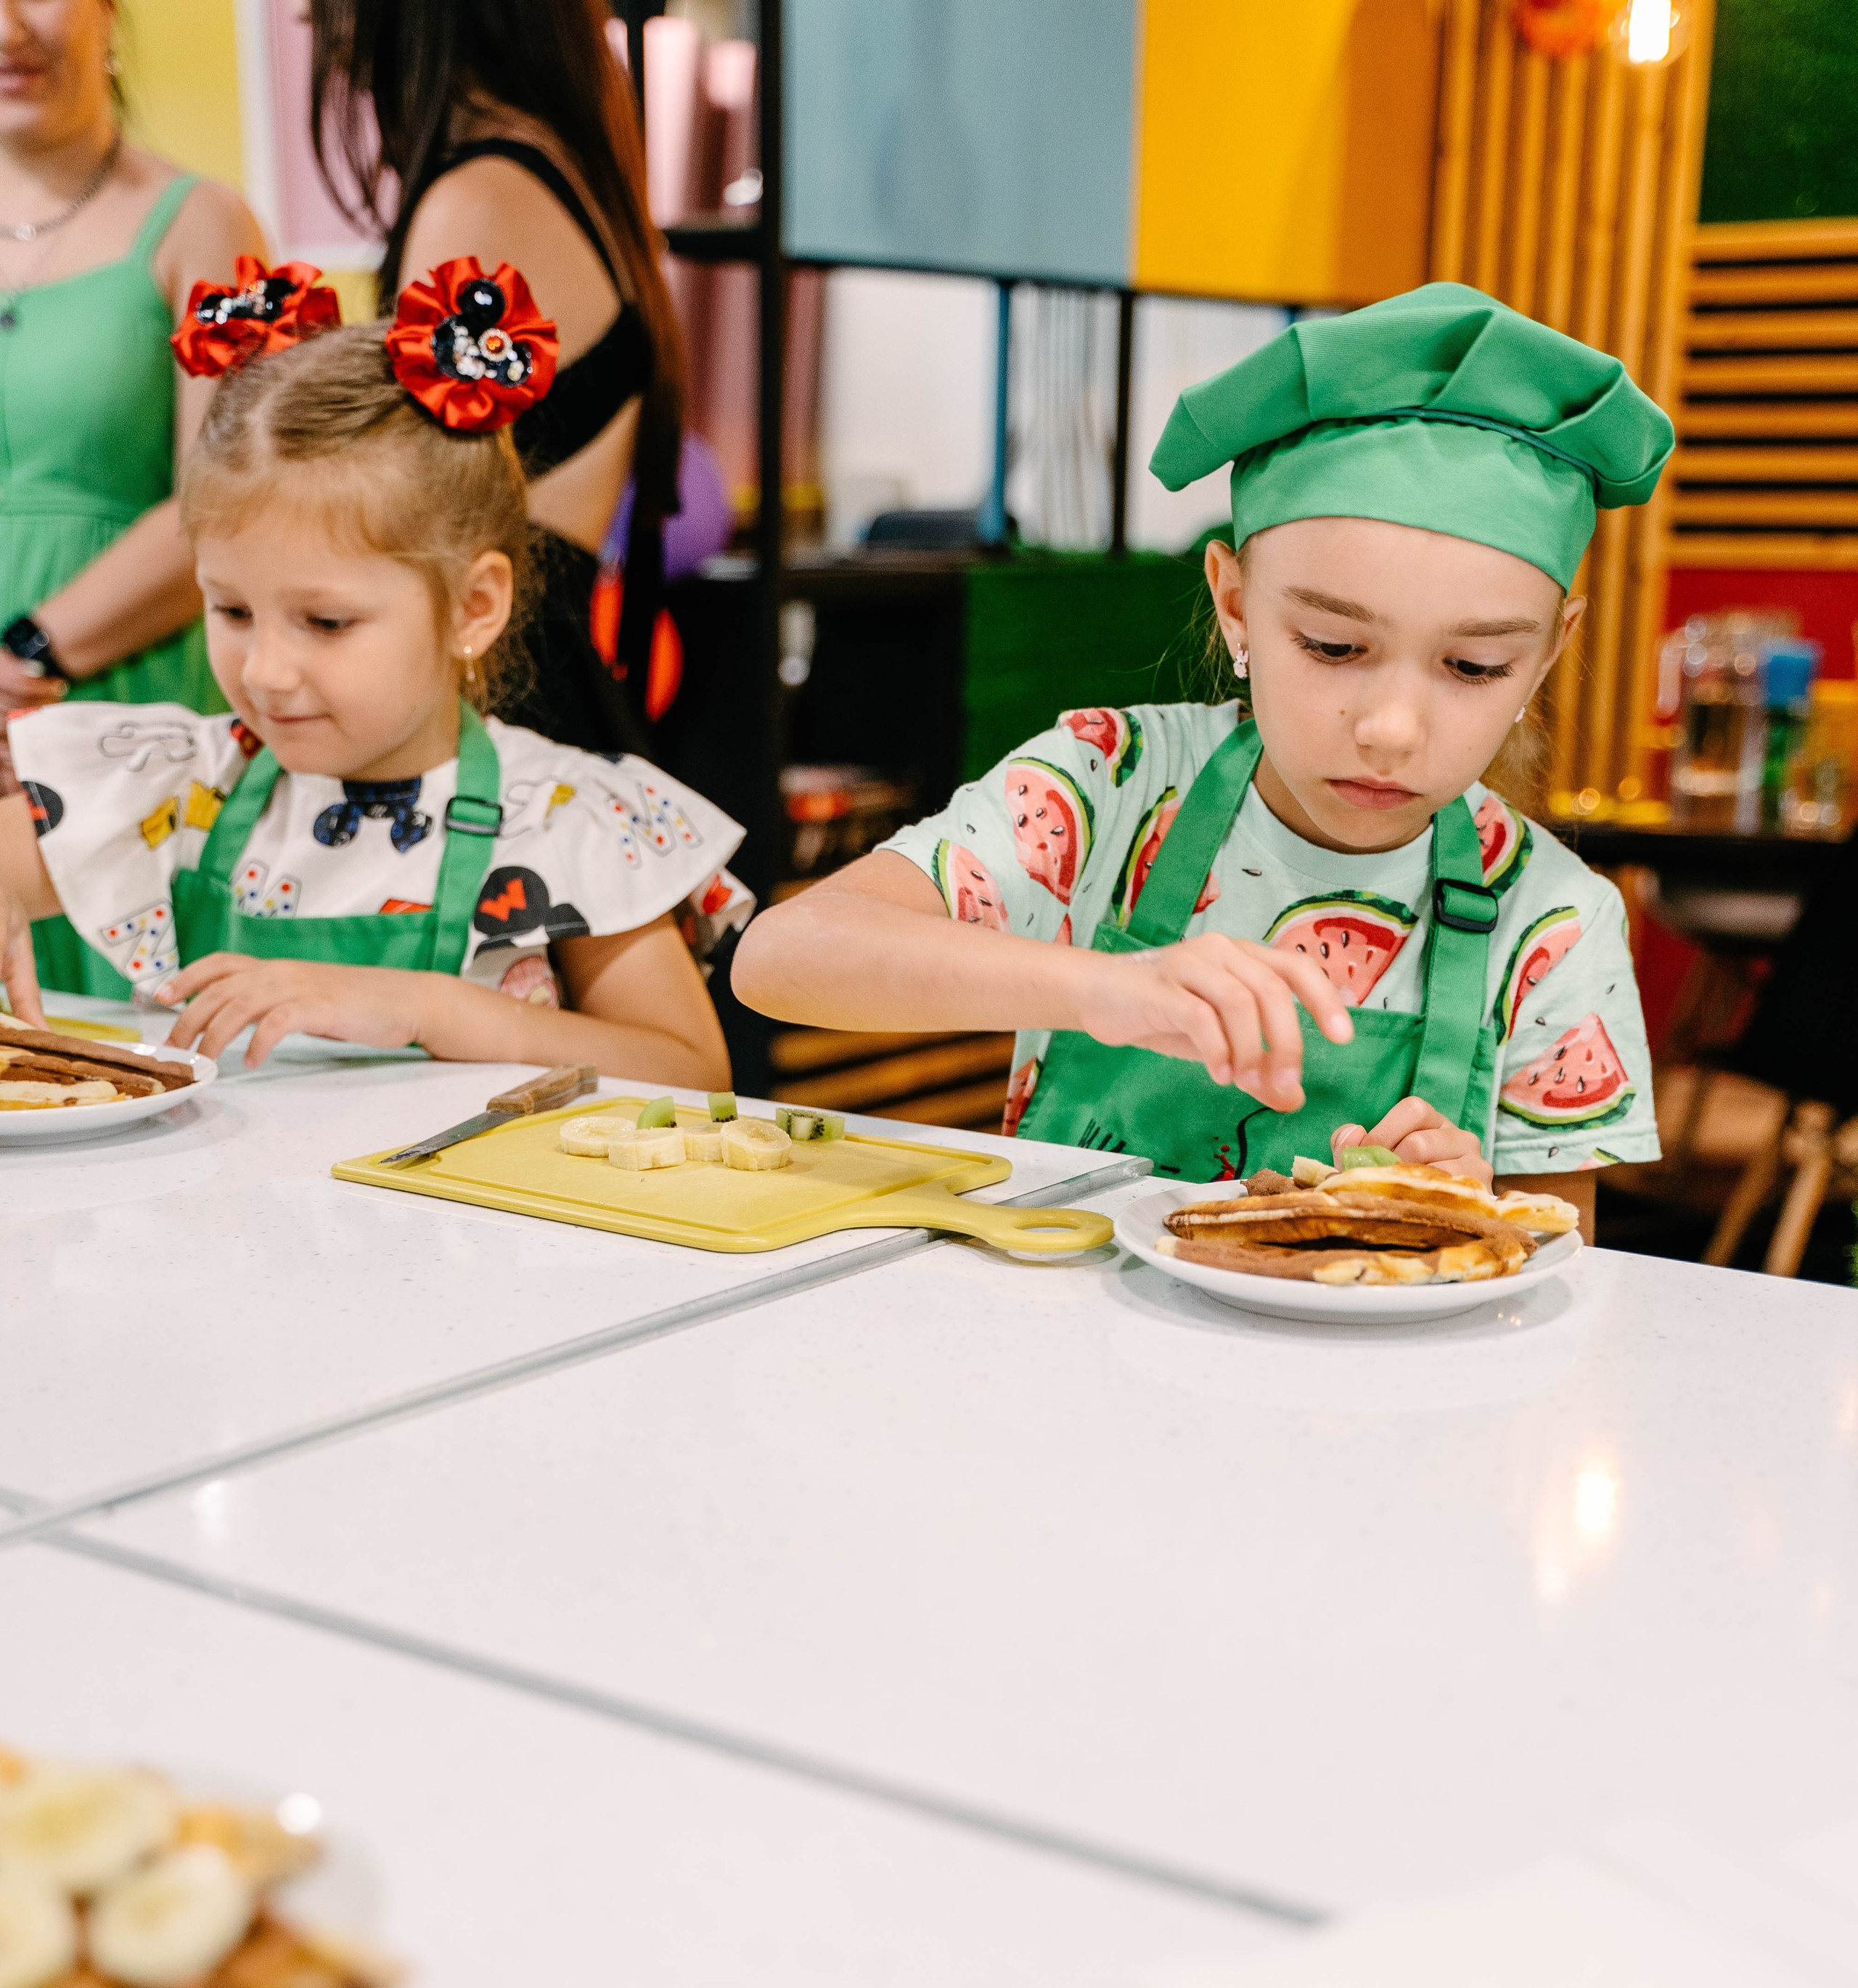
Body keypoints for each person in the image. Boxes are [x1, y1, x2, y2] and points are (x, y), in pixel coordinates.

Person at [734, 285, 1675, 1232]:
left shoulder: (1554, 922)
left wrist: (1474, 1208)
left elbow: (1566, 1260)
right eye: (1334, 648)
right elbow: (779, 957)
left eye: (1473, 666)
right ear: (1235, 606)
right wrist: (1104, 989)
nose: (1392, 727)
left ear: (1548, 652)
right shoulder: (1107, 783)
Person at [0, 258, 738, 1083]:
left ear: (472, 606)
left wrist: (427, 1007)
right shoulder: (176, 786)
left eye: (326, 622)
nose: (268, 672)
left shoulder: (565, 819)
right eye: (233, 612)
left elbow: (692, 1069)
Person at [308, 0, 683, 756]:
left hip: (504, 706)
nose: (328, 34)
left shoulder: (479, 201)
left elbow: (403, 493)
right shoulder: (559, 170)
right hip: (539, 690)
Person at [0, 0, 266, 996]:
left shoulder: (205, 220)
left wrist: (28, 654)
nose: (8, 29)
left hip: (113, 691)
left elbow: (232, 495)